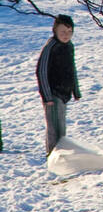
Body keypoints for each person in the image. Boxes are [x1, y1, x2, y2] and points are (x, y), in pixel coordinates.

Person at [36, 14, 81, 156]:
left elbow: (71, 68)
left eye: (69, 32)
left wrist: (76, 90)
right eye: (62, 32)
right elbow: (41, 71)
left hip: (64, 93)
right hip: (53, 94)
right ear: (55, 31)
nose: (66, 35)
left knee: (62, 128)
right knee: (54, 128)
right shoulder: (51, 47)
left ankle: (61, 154)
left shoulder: (69, 46)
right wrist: (47, 96)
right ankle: (52, 155)